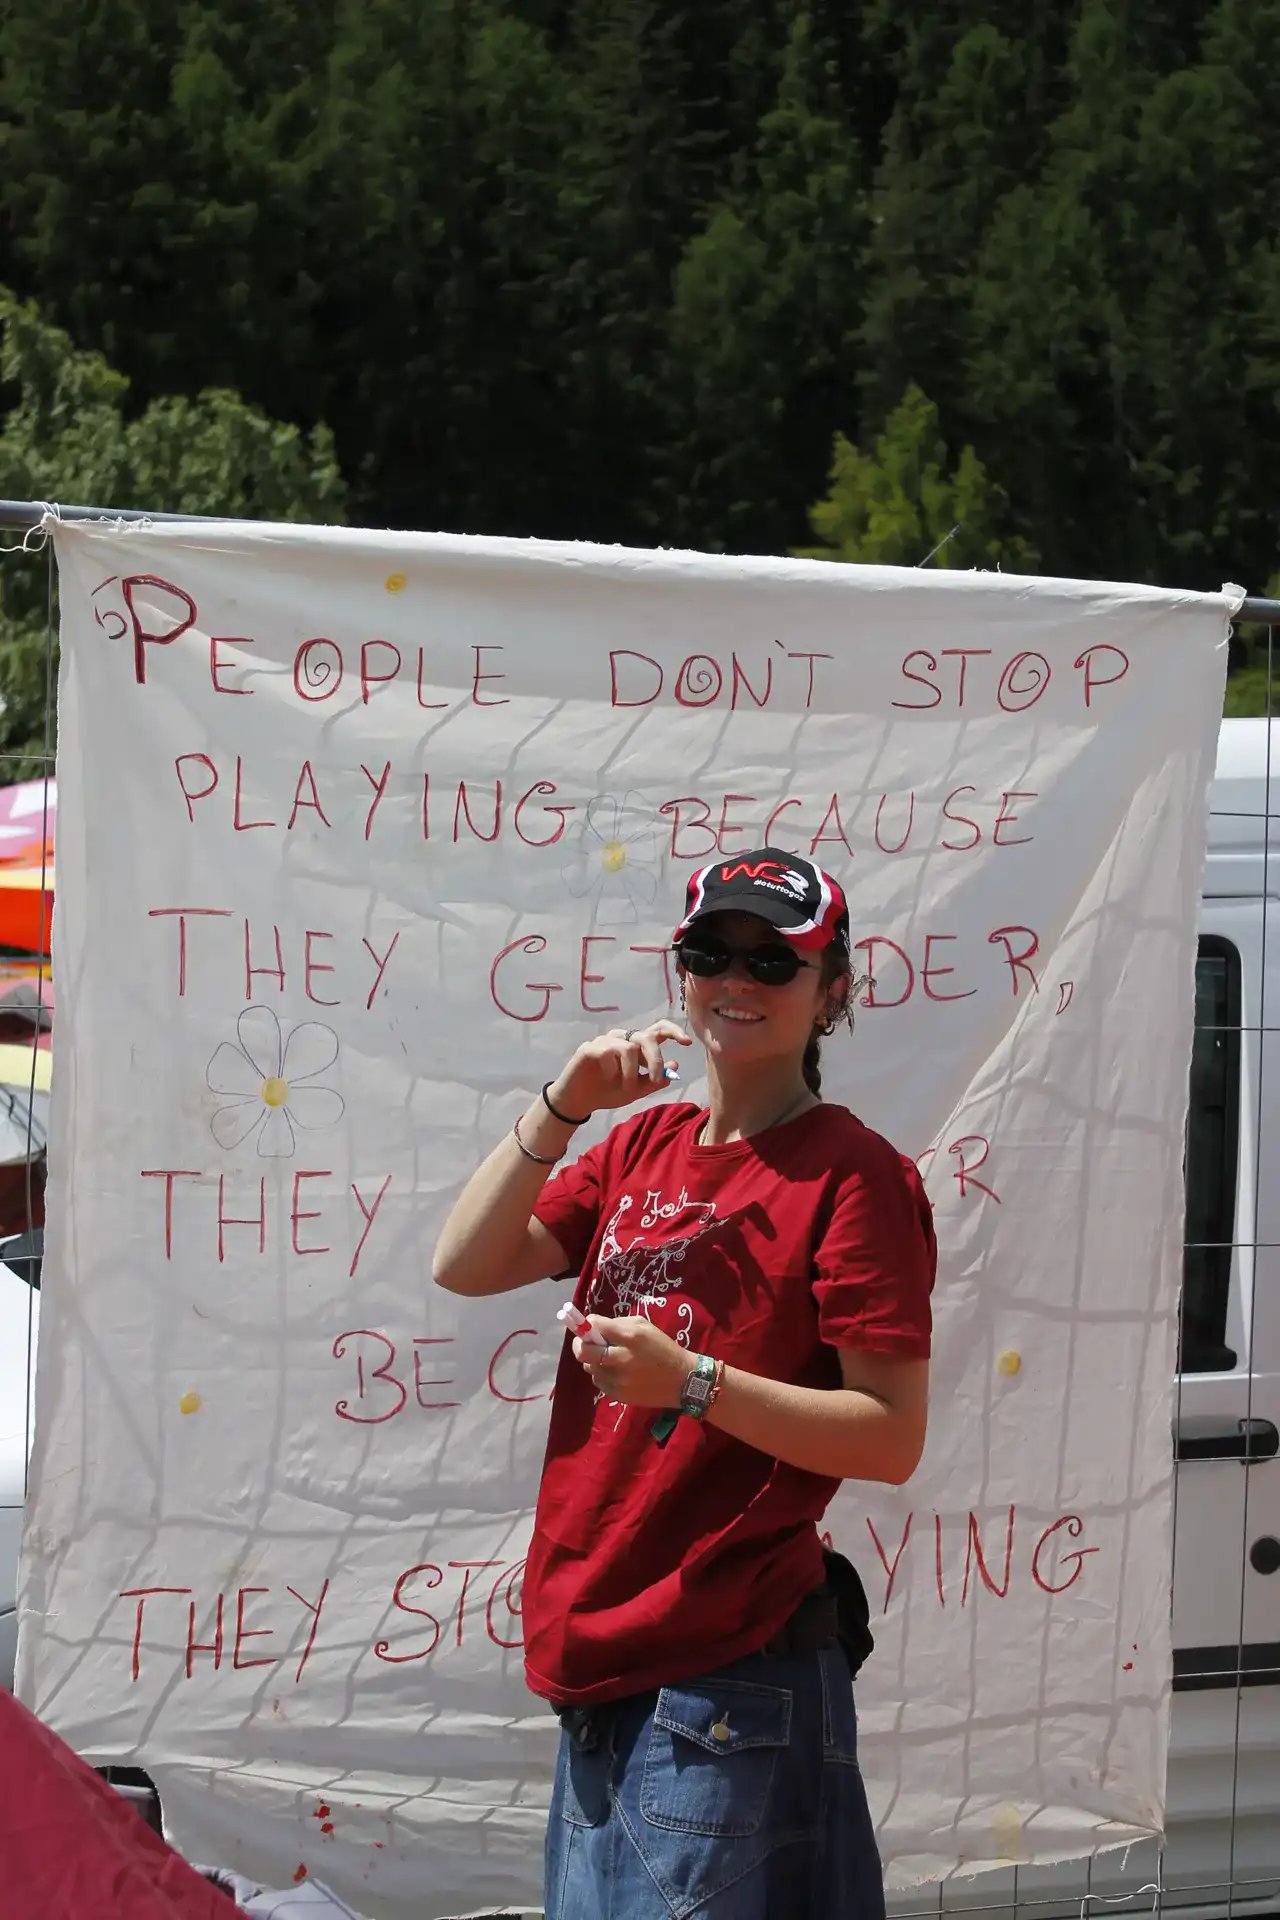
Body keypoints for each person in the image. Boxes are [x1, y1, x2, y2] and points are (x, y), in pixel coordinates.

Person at [434, 849, 936, 1919]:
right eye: (711, 954)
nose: (736, 981)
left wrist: (695, 1383)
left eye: (773, 961)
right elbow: (465, 1262)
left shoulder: (853, 1176)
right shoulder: (643, 1143)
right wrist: (563, 1104)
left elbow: (890, 1435)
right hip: (599, 1655)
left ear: (831, 992)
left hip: (723, 1673)